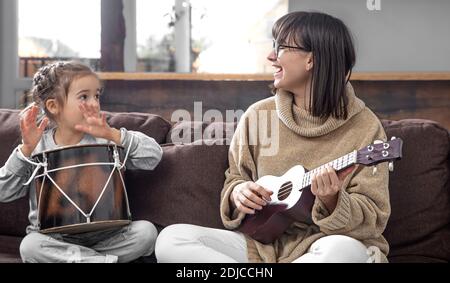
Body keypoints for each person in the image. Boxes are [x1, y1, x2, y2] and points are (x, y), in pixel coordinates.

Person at [155, 11, 390, 263]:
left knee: (345, 252)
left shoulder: (366, 128)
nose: (270, 56)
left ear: (311, 59)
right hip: (262, 247)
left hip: (325, 245)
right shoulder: (257, 116)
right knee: (171, 239)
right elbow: (235, 178)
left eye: (280, 47)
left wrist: (333, 200)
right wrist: (239, 193)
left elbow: (373, 219)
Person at [0, 61, 163, 263]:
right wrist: (25, 150)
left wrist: (113, 135)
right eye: (84, 97)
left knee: (147, 233)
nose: (94, 103)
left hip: (108, 236)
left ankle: (89, 260)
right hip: (55, 240)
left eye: (97, 96)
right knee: (30, 246)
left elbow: (153, 156)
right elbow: (3, 191)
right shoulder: (36, 147)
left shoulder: (106, 138)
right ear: (53, 106)